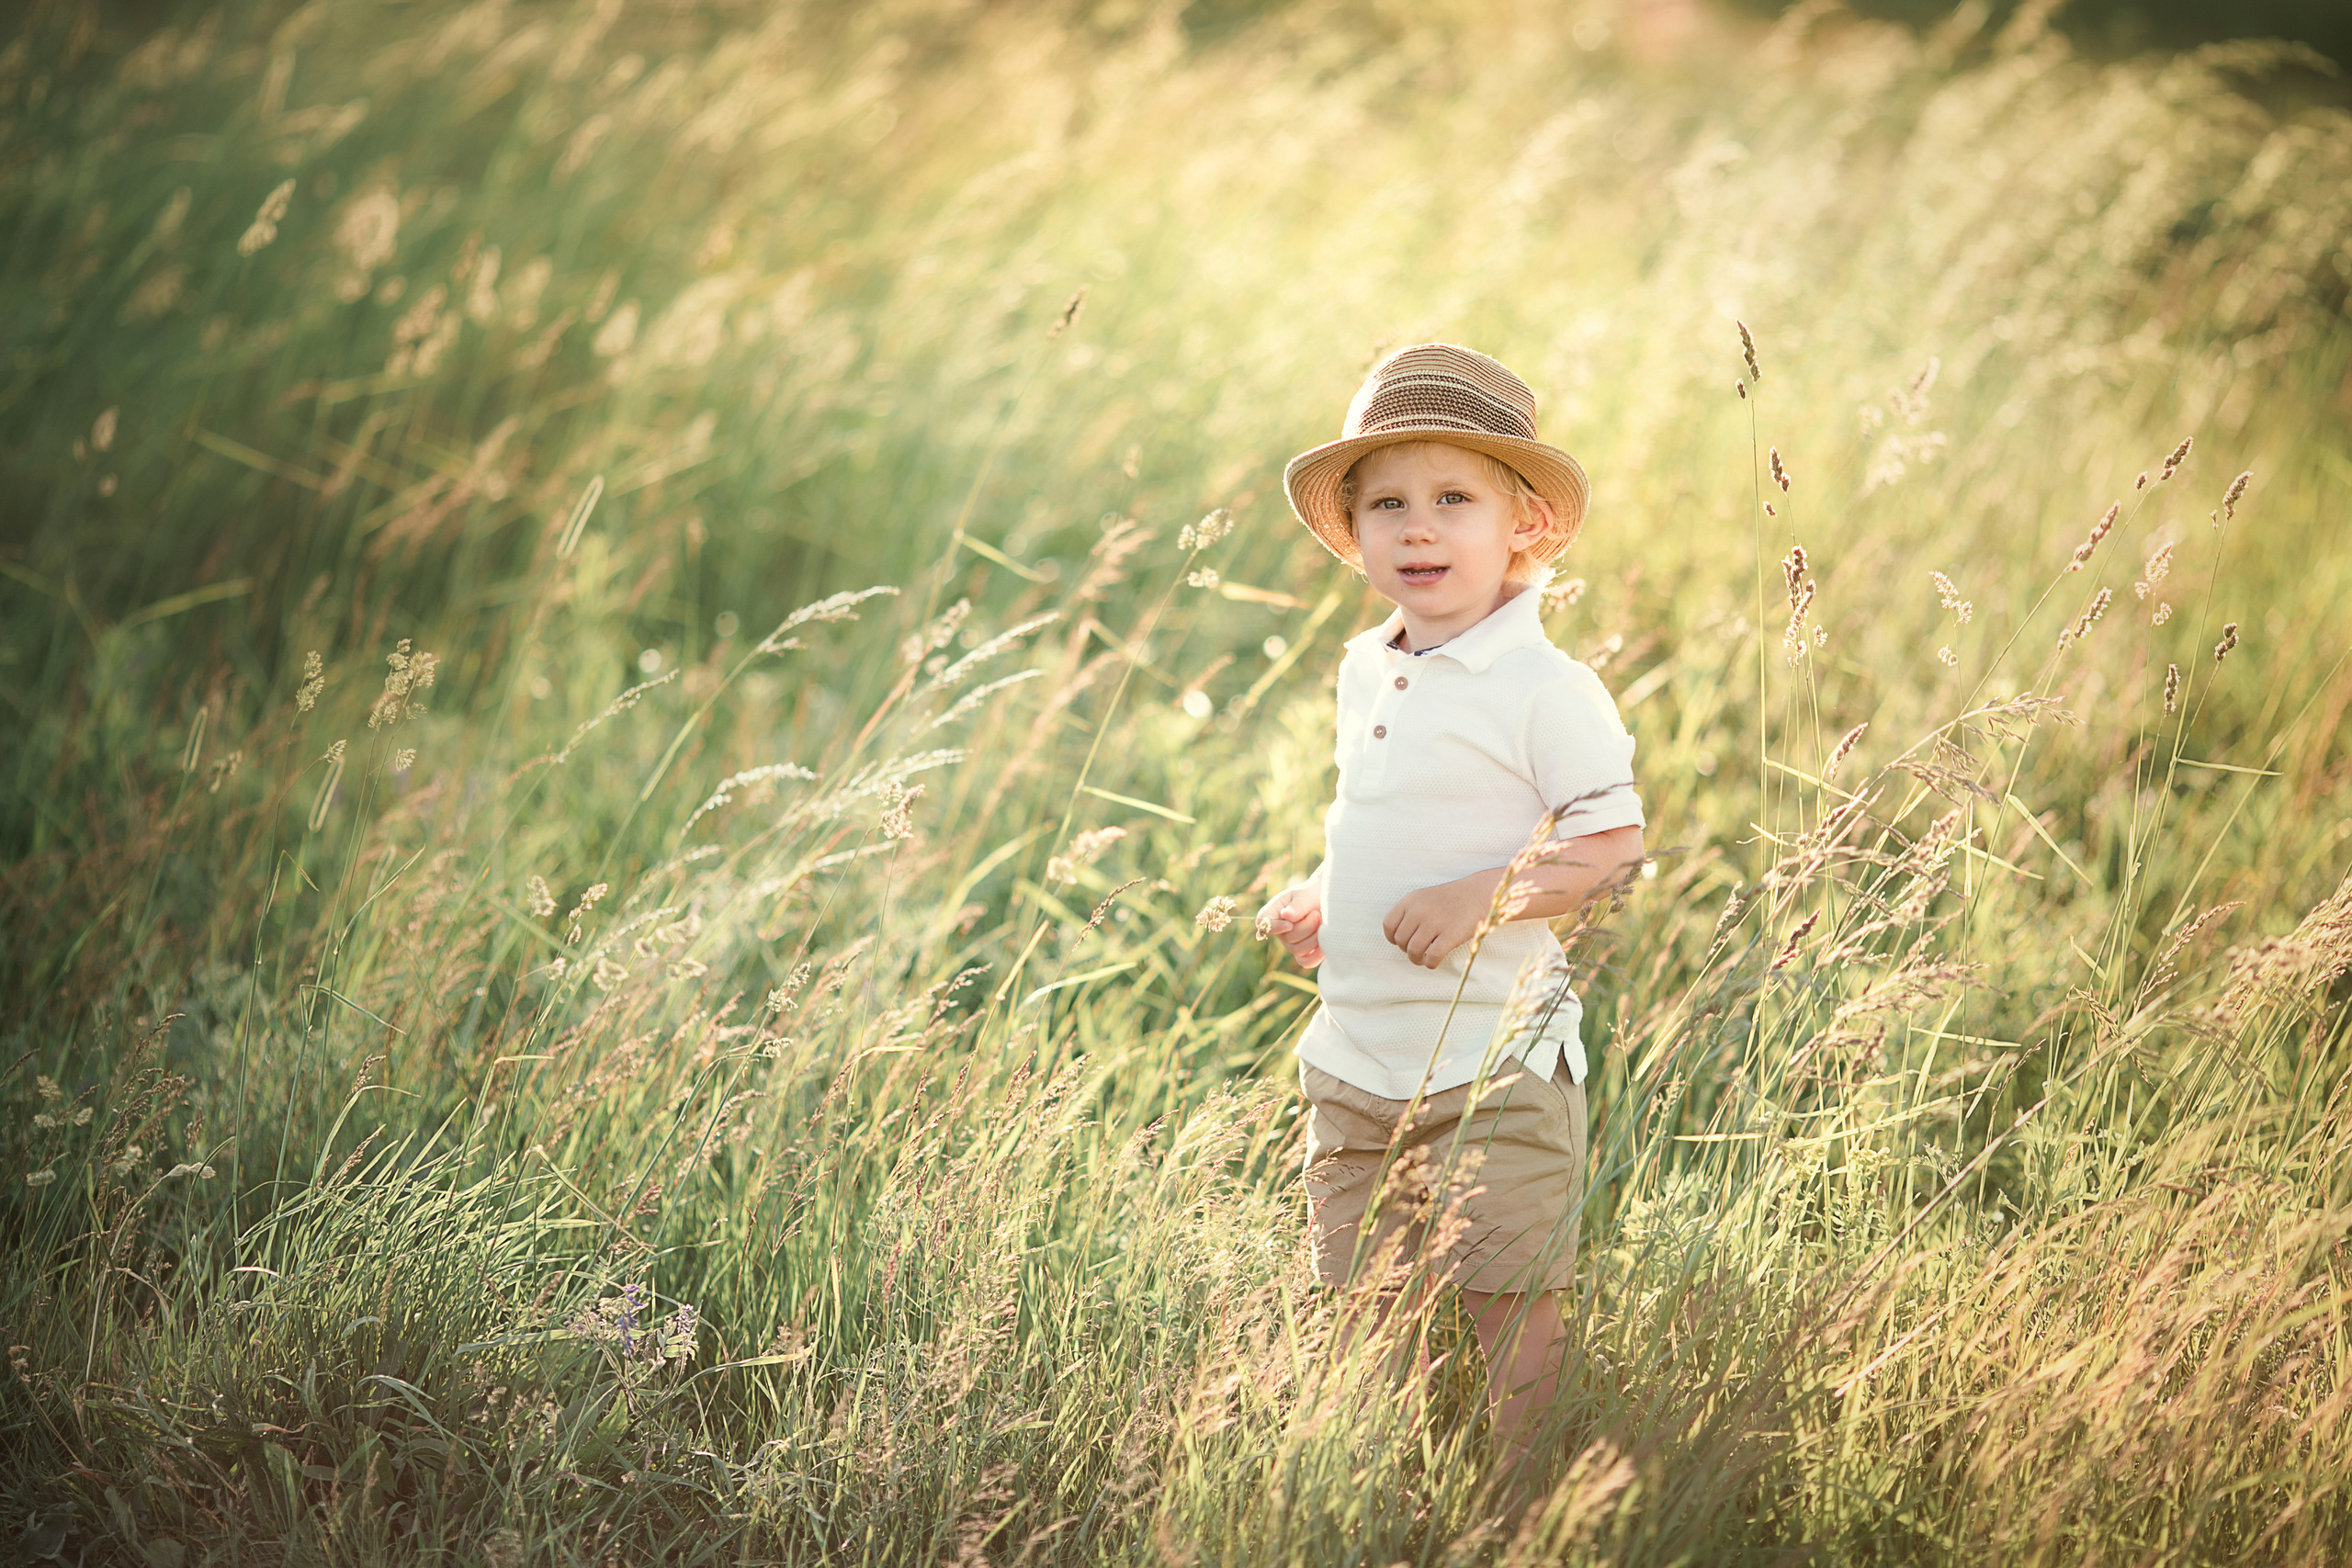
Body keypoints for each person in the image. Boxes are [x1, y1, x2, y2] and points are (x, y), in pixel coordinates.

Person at [1256, 343, 1645, 1472]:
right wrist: (1327, 896)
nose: (1416, 528)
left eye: (1452, 500)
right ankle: (1379, 1481)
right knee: (1362, 1305)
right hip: (1355, 1057)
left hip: (1493, 1062)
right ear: (1356, 534)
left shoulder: (1545, 689)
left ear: (1524, 522)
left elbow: (1611, 846)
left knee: (1507, 1305)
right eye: (1387, 504)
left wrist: (1486, 896)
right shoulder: (1365, 666)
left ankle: (1528, 1499)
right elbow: (1377, 811)